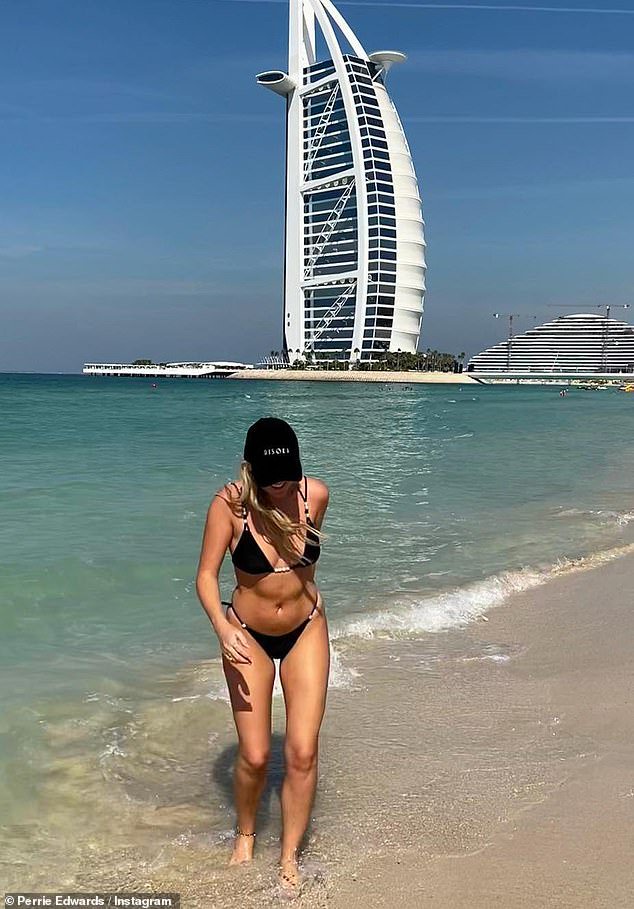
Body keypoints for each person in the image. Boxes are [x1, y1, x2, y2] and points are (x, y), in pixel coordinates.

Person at [196, 417, 330, 891]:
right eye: (270, 478)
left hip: (306, 628)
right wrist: (221, 627)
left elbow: (304, 572)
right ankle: (246, 834)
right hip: (246, 633)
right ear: (250, 469)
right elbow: (206, 576)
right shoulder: (229, 505)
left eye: (287, 476)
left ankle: (289, 856)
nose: (281, 486)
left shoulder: (315, 496)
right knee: (254, 756)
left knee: (303, 752)